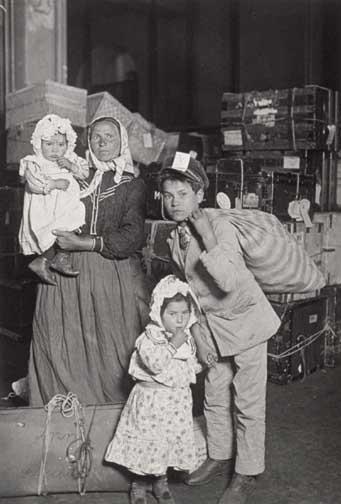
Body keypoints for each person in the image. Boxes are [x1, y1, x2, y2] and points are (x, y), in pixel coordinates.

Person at [158, 154, 281, 504]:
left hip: (246, 323)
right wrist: (196, 334)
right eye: (168, 195)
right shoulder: (174, 235)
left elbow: (226, 280)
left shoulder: (220, 225)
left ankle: (247, 472)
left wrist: (207, 233)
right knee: (213, 394)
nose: (174, 202)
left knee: (248, 401)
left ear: (200, 193)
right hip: (212, 326)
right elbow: (189, 292)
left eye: (182, 193)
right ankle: (220, 453)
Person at [28, 115, 150, 406]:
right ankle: (61, 415)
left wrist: (84, 242)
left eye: (110, 136)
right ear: (87, 142)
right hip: (64, 272)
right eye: (96, 136)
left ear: (122, 141)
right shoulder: (73, 176)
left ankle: (110, 418)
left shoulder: (133, 185)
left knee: (112, 350)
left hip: (109, 273)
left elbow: (132, 236)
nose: (102, 142)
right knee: (59, 343)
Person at [105, 274, 202, 504]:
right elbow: (156, 364)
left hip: (175, 403)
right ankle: (139, 483)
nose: (179, 320)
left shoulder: (185, 338)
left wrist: (195, 366)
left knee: (166, 442)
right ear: (159, 313)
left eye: (184, 313)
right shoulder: (149, 338)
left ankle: (160, 481)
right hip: (151, 402)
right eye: (172, 314)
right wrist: (172, 345)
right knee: (147, 443)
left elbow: (188, 365)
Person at [19, 113, 89, 285]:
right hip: (45, 207)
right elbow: (34, 184)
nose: (55, 149)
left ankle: (58, 258)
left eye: (60, 144)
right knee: (51, 231)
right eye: (49, 144)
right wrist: (54, 183)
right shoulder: (34, 162)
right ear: (38, 144)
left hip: (66, 205)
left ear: (68, 144)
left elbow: (84, 172)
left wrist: (71, 166)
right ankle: (43, 259)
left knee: (72, 224)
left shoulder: (70, 158)